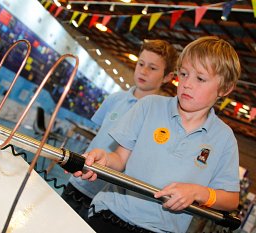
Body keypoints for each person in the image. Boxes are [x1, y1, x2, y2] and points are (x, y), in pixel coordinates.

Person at [74, 36, 241, 233]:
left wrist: (200, 192)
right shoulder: (150, 106)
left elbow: (230, 199)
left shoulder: (224, 138)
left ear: (224, 88)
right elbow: (119, 158)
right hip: (112, 215)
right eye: (184, 74)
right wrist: (105, 160)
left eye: (200, 79)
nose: (187, 84)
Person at [61, 39, 178, 220]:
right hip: (80, 180)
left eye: (153, 68)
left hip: (107, 199)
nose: (143, 71)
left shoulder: (158, 119)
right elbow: (99, 137)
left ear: (168, 77)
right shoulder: (115, 99)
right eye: (141, 64)